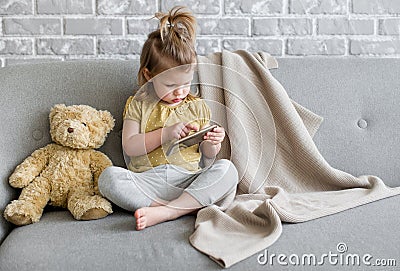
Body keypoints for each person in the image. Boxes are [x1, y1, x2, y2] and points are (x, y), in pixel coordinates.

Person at [98, 6, 238, 230]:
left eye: (185, 84)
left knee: (227, 170)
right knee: (108, 178)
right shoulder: (138, 105)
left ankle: (167, 212)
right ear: (149, 75)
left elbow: (207, 159)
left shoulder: (197, 107)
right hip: (148, 182)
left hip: (188, 180)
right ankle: (179, 208)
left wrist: (211, 143)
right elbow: (130, 146)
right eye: (171, 85)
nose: (180, 92)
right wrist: (166, 133)